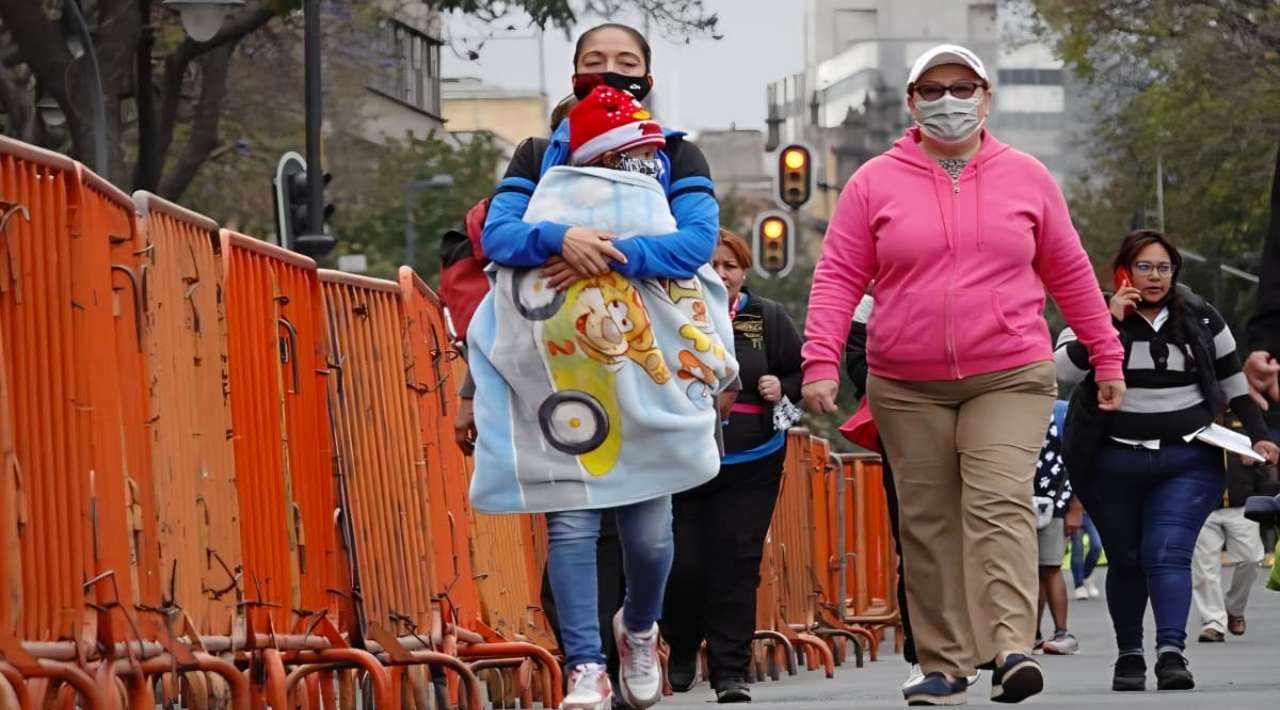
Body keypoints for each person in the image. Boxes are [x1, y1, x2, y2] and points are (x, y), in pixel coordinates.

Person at [800, 43, 1126, 706]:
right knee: (927, 520)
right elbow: (837, 276)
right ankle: (944, 663)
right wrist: (820, 363)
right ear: (914, 102)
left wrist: (1107, 356)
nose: (948, 100)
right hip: (906, 381)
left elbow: (1069, 273)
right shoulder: (872, 182)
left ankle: (1010, 646)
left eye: (962, 86)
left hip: (1007, 373)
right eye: (933, 89)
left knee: (999, 504)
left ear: (986, 97)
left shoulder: (1027, 177)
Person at [469, 24, 729, 710]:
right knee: (573, 526)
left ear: (647, 73)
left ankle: (638, 629)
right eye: (594, 61)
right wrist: (560, 237)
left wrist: (608, 254)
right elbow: (500, 237)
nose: (610, 71)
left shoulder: (679, 153)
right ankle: (584, 663)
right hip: (561, 375)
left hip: (647, 372)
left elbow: (697, 244)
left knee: (650, 536)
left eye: (626, 61)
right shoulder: (534, 152)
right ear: (575, 71)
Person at [1055, 230, 1280, 693]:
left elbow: (1233, 381)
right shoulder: (1092, 310)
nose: (1155, 277)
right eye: (1144, 267)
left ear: (1175, 272)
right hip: (1109, 461)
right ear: (1123, 271)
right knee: (1127, 559)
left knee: (1167, 552)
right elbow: (1061, 372)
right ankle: (1130, 655)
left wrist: (1259, 437)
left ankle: (1171, 653)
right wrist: (1107, 323)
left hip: (1187, 458)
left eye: (1164, 268)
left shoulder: (1201, 316)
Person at [660, 229, 803, 704]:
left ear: (744, 271)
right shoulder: (670, 310)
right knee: (682, 566)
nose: (721, 275)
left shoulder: (768, 316)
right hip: (684, 459)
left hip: (751, 462)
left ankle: (730, 673)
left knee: (736, 567)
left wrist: (779, 386)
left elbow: (801, 370)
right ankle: (681, 644)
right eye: (712, 266)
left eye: (731, 266)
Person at [1192, 415, 1275, 642]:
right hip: (1203, 504)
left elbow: (1268, 451)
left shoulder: (1245, 413)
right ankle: (1213, 623)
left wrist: (1258, 463)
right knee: (1204, 567)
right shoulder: (1194, 413)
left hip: (1241, 503)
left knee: (1251, 559)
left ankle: (1234, 608)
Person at [1032, 401, 1084, 656]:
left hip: (1054, 501)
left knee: (1050, 567)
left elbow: (1078, 461)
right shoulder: (1011, 405)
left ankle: (1062, 631)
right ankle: (1031, 633)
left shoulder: (1062, 411)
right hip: (1017, 499)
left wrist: (1075, 508)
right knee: (1027, 571)